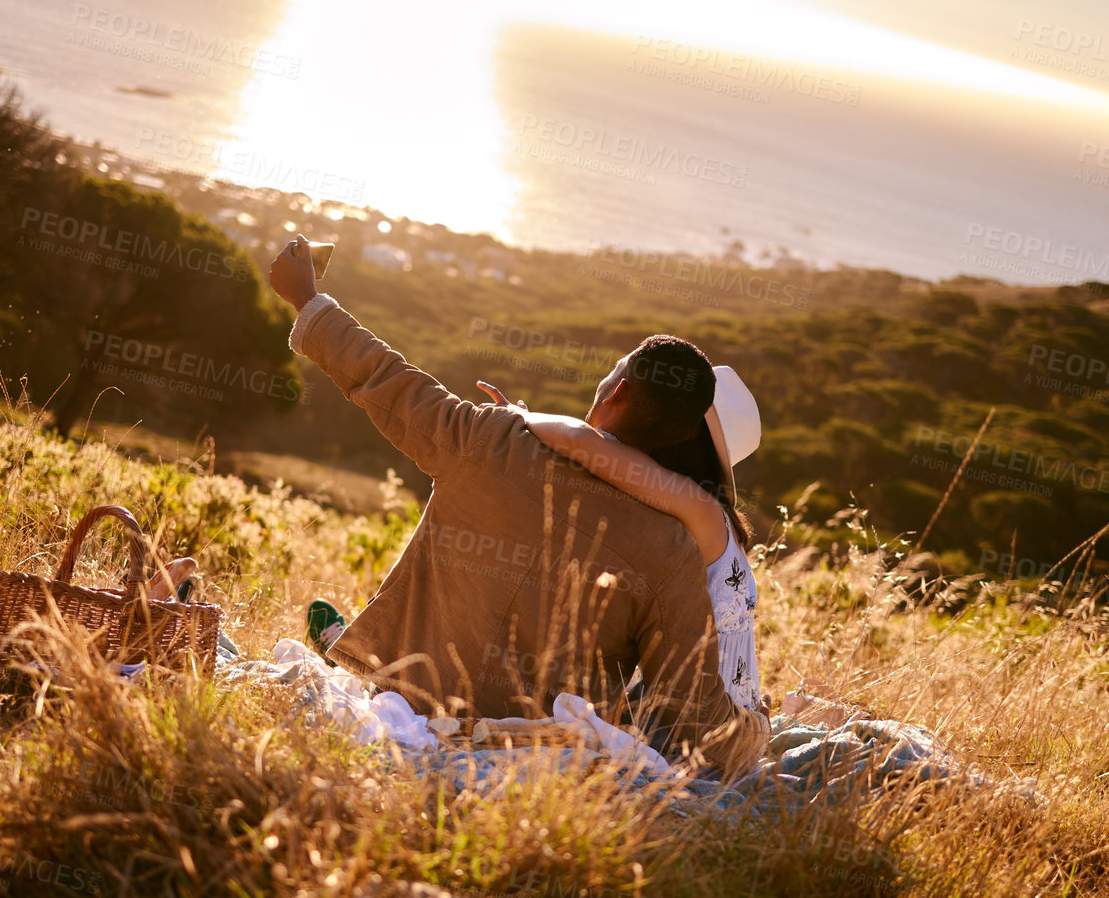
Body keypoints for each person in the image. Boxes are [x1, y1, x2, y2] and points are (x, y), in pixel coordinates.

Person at [263, 234, 768, 775]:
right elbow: (693, 713)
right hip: (538, 745)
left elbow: (387, 379)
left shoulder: (492, 438)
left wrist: (308, 301)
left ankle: (338, 640)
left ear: (615, 393)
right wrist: (751, 730)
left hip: (412, 699)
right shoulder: (675, 549)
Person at [474, 364, 765, 713]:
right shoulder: (717, 517)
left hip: (703, 721)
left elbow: (580, 441)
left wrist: (518, 417)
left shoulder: (697, 507)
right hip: (727, 711)